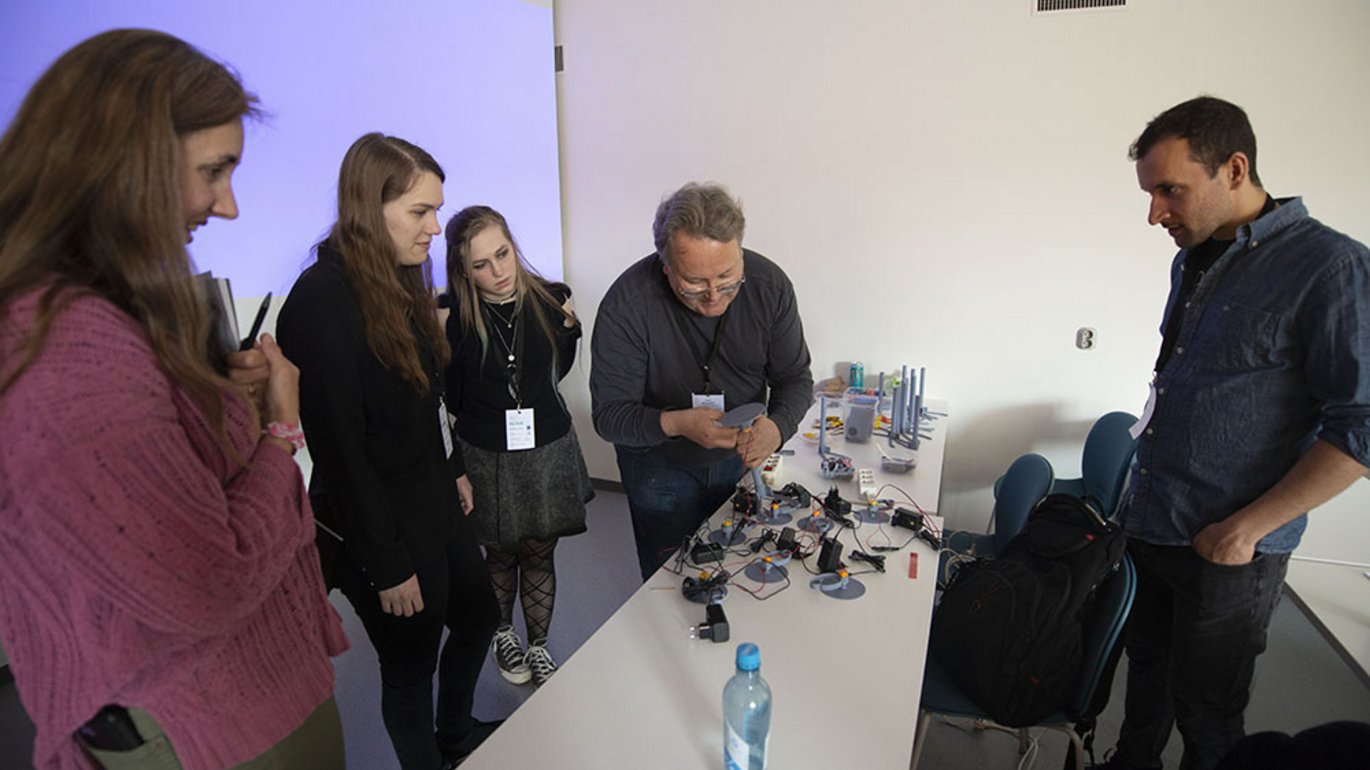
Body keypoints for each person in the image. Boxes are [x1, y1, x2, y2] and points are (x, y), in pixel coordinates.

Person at [0, 29, 348, 770]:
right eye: (213, 171)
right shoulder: (69, 350)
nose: (228, 208)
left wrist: (228, 406)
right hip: (208, 723)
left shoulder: (106, 311)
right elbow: (206, 584)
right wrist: (281, 433)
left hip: (235, 697)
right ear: (121, 165)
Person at [1096, 96, 1370, 770]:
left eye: (1170, 190)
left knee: (1210, 720)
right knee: (1145, 689)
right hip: (1156, 524)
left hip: (1230, 553)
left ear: (1236, 168)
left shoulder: (1330, 267)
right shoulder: (1191, 259)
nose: (1155, 211)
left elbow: (1361, 427)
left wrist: (1245, 531)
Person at [276, 134, 500, 770]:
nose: (436, 228)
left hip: (429, 492)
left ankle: (455, 734)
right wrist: (385, 565)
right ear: (367, 208)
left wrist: (453, 464)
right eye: (419, 213)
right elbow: (341, 455)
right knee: (410, 665)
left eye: (435, 210)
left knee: (479, 614)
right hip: (380, 522)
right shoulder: (320, 304)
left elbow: (425, 393)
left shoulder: (400, 279)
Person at [591, 182, 814, 580]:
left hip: (740, 460)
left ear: (740, 252)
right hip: (658, 467)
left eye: (728, 277)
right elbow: (609, 416)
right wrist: (676, 423)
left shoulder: (770, 288)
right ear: (666, 267)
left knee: (743, 570)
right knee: (670, 578)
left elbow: (795, 378)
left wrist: (777, 429)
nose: (713, 296)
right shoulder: (627, 305)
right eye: (693, 282)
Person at [441, 205, 594, 687]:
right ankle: (504, 632)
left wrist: (569, 330)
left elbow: (555, 375)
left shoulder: (552, 302)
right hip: (486, 456)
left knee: (539, 552)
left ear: (514, 245)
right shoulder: (454, 319)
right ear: (463, 272)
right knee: (501, 554)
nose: (499, 272)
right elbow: (453, 399)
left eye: (503, 254)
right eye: (480, 265)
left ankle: (541, 644)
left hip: (547, 447)